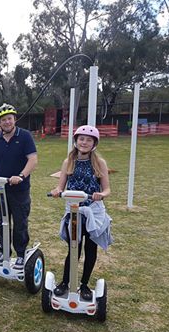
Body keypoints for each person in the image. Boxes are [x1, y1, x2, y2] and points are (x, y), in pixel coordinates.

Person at [50, 125, 113, 301]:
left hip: (93, 211)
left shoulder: (99, 163)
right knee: (73, 249)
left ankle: (85, 285)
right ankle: (65, 282)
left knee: (90, 249)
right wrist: (56, 191)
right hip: (74, 211)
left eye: (89, 140)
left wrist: (101, 195)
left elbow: (107, 189)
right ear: (76, 141)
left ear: (94, 143)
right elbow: (60, 186)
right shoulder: (68, 161)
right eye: (81, 139)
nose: (84, 142)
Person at [0, 103, 38, 269]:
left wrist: (20, 176)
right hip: (0, 188)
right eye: (3, 120)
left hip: (19, 189)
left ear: (14, 119)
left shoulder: (24, 136)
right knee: (2, 222)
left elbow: (32, 160)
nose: (7, 122)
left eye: (9, 118)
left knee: (20, 222)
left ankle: (20, 254)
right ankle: (4, 252)